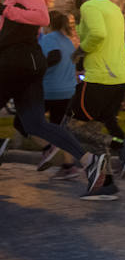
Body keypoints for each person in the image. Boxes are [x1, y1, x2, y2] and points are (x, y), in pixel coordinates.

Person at [0, 0, 108, 197]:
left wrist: (4, 10)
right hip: (28, 62)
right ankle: (90, 161)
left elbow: (40, 17)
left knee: (34, 123)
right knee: (35, 123)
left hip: (14, 62)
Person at [66, 0, 125, 194]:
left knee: (68, 124)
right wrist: (78, 17)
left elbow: (98, 35)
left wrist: (80, 51)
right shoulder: (112, 8)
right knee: (95, 125)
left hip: (100, 77)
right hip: (119, 77)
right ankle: (105, 184)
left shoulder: (90, 6)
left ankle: (121, 144)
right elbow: (97, 35)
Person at [30, 11, 79, 171]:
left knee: (26, 123)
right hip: (67, 91)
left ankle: (49, 149)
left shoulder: (49, 39)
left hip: (49, 90)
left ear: (47, 22)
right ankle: (68, 166)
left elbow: (54, 57)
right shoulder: (67, 41)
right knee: (59, 129)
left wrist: (35, 69)